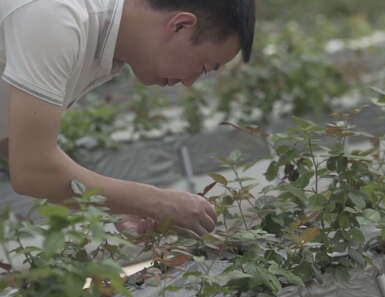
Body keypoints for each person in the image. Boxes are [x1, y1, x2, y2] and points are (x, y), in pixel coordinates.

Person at [0, 0, 256, 237]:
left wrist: (127, 203)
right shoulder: (58, 18)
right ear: (180, 25)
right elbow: (32, 169)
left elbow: (14, 144)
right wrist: (157, 202)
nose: (190, 82)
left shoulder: (102, 43)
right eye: (203, 66)